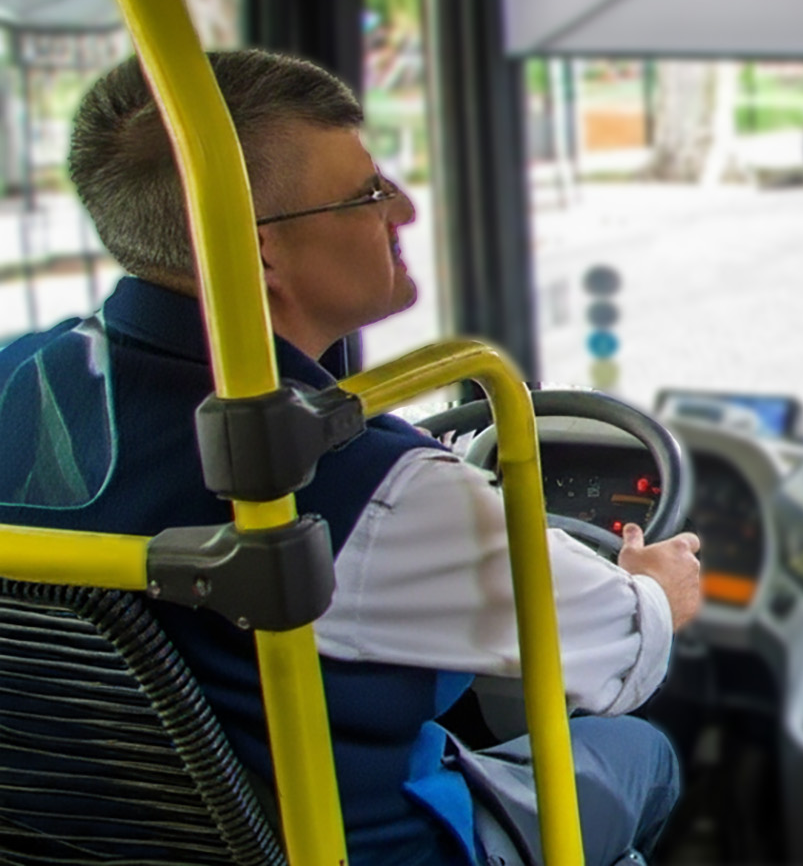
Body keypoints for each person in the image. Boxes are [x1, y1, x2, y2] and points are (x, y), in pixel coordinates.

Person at [0, 50, 703, 866]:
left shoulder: (21, 372)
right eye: (368, 194)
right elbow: (618, 654)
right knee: (640, 754)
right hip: (371, 846)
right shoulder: (374, 489)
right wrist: (658, 585)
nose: (401, 209)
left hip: (76, 837)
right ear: (260, 254)